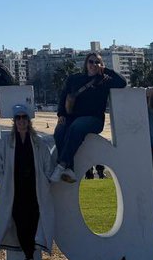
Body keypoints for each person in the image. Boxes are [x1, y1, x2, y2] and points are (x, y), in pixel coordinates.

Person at [0, 103, 56, 260]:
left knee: (33, 222)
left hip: (34, 190)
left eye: (23, 118)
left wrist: (46, 180)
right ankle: (29, 259)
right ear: (14, 121)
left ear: (28, 120)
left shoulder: (38, 142)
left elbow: (47, 164)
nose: (21, 121)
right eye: (18, 118)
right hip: (15, 191)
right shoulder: (6, 142)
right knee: (20, 223)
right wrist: (5, 183)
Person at [52, 52, 126, 183]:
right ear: (86, 64)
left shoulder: (105, 81)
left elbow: (122, 82)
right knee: (59, 131)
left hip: (94, 120)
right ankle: (69, 169)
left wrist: (106, 70)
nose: (94, 64)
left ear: (101, 64)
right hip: (72, 118)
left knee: (76, 126)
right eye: (91, 62)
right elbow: (64, 96)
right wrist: (61, 114)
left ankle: (61, 165)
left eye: (97, 62)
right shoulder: (74, 79)